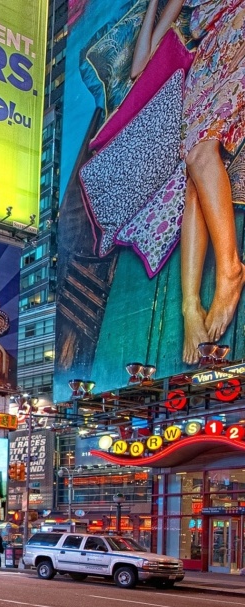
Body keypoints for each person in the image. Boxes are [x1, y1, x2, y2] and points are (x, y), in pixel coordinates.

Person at [131, 0, 245, 362]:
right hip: (206, 61)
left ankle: (229, 270)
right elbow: (139, 67)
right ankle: (189, 306)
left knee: (199, 153)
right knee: (191, 174)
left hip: (238, 34)